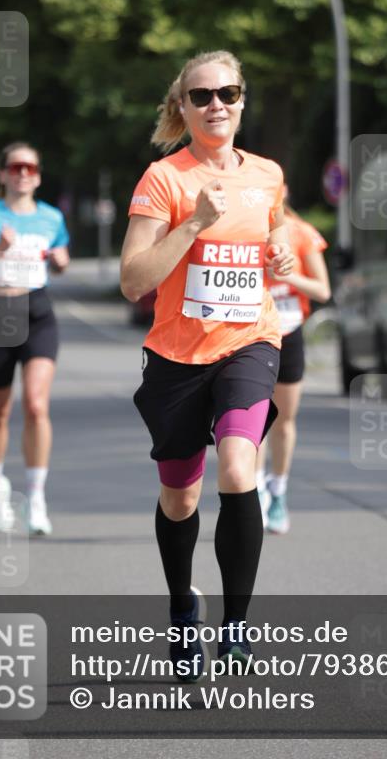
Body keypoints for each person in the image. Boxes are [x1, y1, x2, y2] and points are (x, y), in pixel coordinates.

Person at [121, 50, 294, 680]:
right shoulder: (163, 179)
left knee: (237, 464)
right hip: (175, 356)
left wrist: (277, 259)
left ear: (243, 99)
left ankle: (238, 627)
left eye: (228, 91)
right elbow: (133, 279)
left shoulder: (268, 174)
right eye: (201, 95)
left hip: (249, 342)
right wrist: (193, 223)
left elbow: (272, 239)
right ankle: (181, 606)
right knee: (179, 496)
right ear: (182, 108)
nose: (216, 103)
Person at [0, 143, 70, 536]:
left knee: (37, 406)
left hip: (37, 312)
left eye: (31, 167)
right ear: (2, 173)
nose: (23, 173)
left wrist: (60, 261)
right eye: (15, 167)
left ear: (38, 176)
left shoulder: (51, 217)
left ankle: (36, 497)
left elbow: (62, 257)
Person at [258, 195, 331, 533]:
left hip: (289, 331)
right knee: (253, 420)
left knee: (283, 420)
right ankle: (253, 490)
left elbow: (323, 291)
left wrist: (288, 278)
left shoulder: (301, 233)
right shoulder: (244, 230)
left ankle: (278, 491)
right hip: (252, 335)